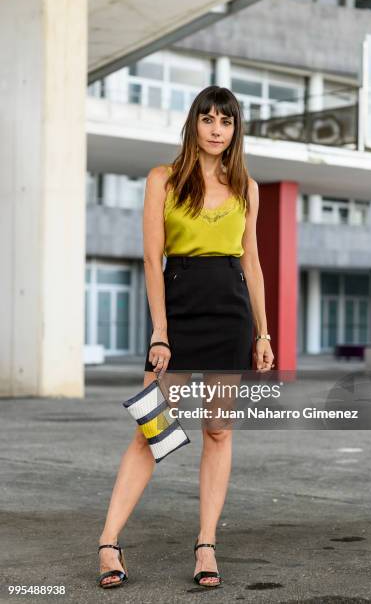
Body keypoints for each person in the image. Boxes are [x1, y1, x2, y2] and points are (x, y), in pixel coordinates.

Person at [97, 85, 275, 589]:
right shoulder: (164, 179)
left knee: (219, 431)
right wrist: (160, 330)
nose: (217, 129)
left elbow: (252, 262)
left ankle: (206, 544)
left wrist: (263, 332)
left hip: (231, 315)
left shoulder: (248, 187)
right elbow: (154, 258)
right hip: (178, 311)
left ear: (235, 130)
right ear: (193, 123)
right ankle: (109, 541)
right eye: (209, 119)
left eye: (227, 121)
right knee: (152, 431)